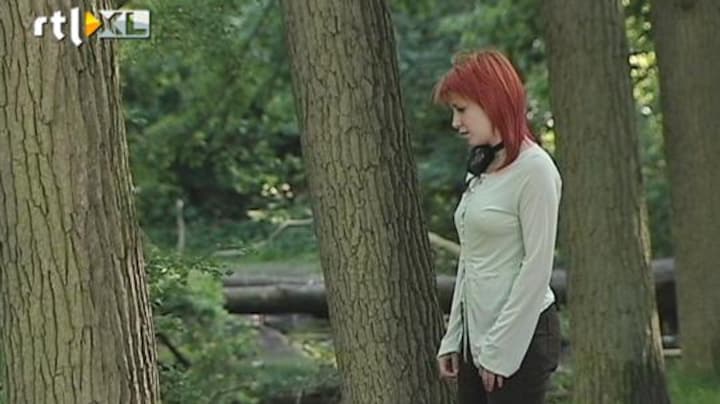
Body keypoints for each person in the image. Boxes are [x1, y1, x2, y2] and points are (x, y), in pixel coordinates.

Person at [433, 49, 563, 404]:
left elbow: (537, 267)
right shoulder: (482, 169)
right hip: (476, 337)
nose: (456, 123)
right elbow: (470, 259)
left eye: (462, 110)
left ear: (492, 101)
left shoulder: (535, 170)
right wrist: (454, 337)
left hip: (522, 338)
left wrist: (501, 350)